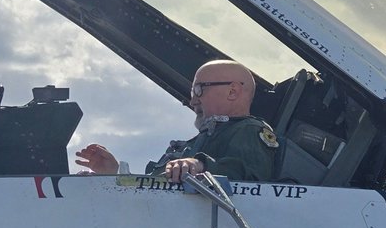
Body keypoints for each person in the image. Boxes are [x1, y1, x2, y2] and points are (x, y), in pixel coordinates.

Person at [74, 60, 278, 184]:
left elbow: (248, 178)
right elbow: (155, 187)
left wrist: (200, 165)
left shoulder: (250, 131)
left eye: (199, 90)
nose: (193, 100)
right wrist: (114, 173)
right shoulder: (195, 143)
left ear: (233, 91)